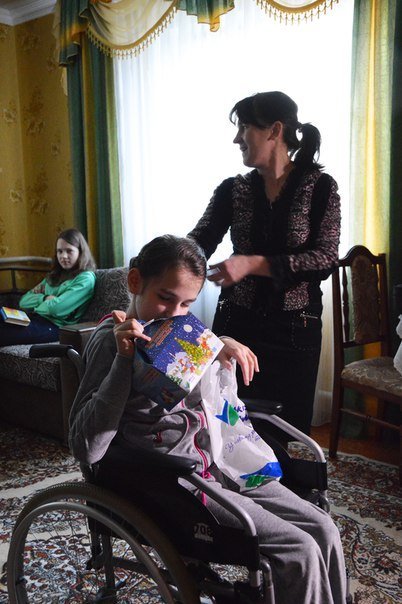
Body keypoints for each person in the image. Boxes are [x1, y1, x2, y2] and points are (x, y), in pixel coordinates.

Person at [69, 234, 346, 604]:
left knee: (324, 528)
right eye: (165, 298)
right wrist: (124, 360)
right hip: (176, 481)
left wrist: (220, 344)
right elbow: (86, 447)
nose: (175, 313)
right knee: (299, 549)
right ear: (135, 281)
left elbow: (208, 394)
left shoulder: (182, 332)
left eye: (186, 304)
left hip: (222, 463)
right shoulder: (110, 341)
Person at [188, 91, 341, 437]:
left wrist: (252, 264)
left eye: (244, 127)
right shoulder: (232, 190)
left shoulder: (320, 187)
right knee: (227, 425)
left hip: (294, 330)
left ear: (274, 130)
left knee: (282, 431)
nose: (236, 138)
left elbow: (325, 259)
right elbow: (200, 240)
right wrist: (165, 257)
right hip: (236, 326)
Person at [0, 228, 96, 346]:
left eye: (69, 251)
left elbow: (56, 309)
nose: (63, 256)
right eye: (59, 251)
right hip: (34, 319)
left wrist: (39, 304)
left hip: (55, 327)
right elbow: (24, 301)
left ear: (80, 252)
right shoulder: (54, 276)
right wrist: (44, 298)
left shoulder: (85, 278)